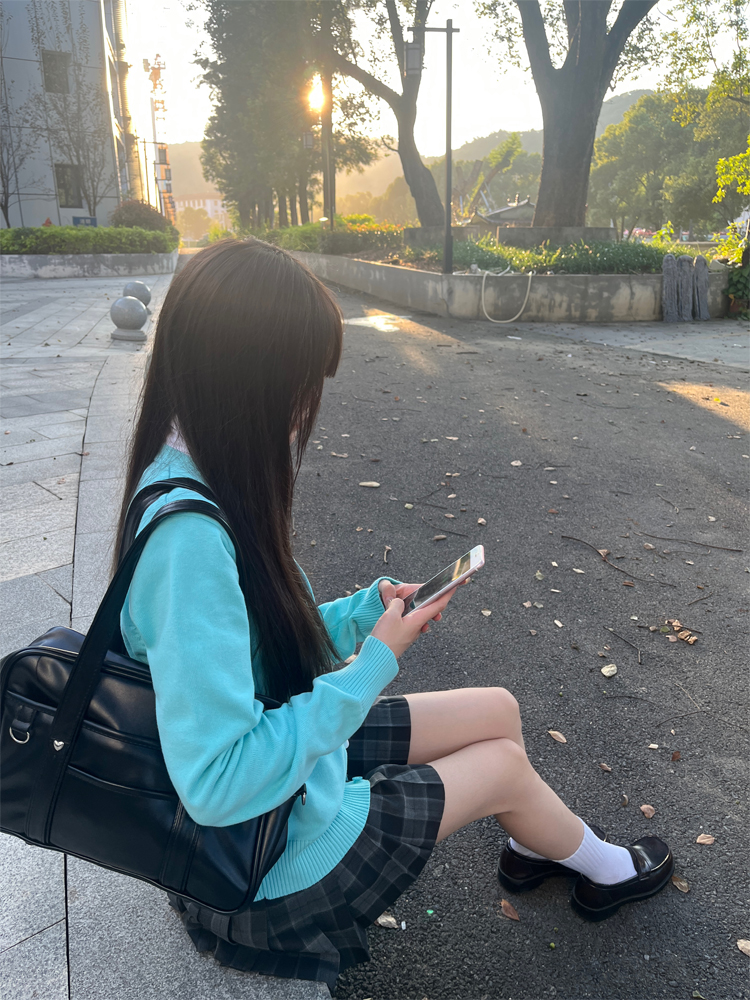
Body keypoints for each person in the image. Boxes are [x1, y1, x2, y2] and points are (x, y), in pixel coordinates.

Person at [112, 239, 674, 995]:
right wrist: (374, 662)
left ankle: (538, 846)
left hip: (281, 781)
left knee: (498, 711)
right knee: (504, 766)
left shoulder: (196, 471)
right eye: (301, 383)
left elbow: (245, 649)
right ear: (248, 378)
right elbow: (216, 781)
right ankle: (606, 871)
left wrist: (357, 616)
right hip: (262, 866)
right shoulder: (189, 543)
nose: (307, 408)